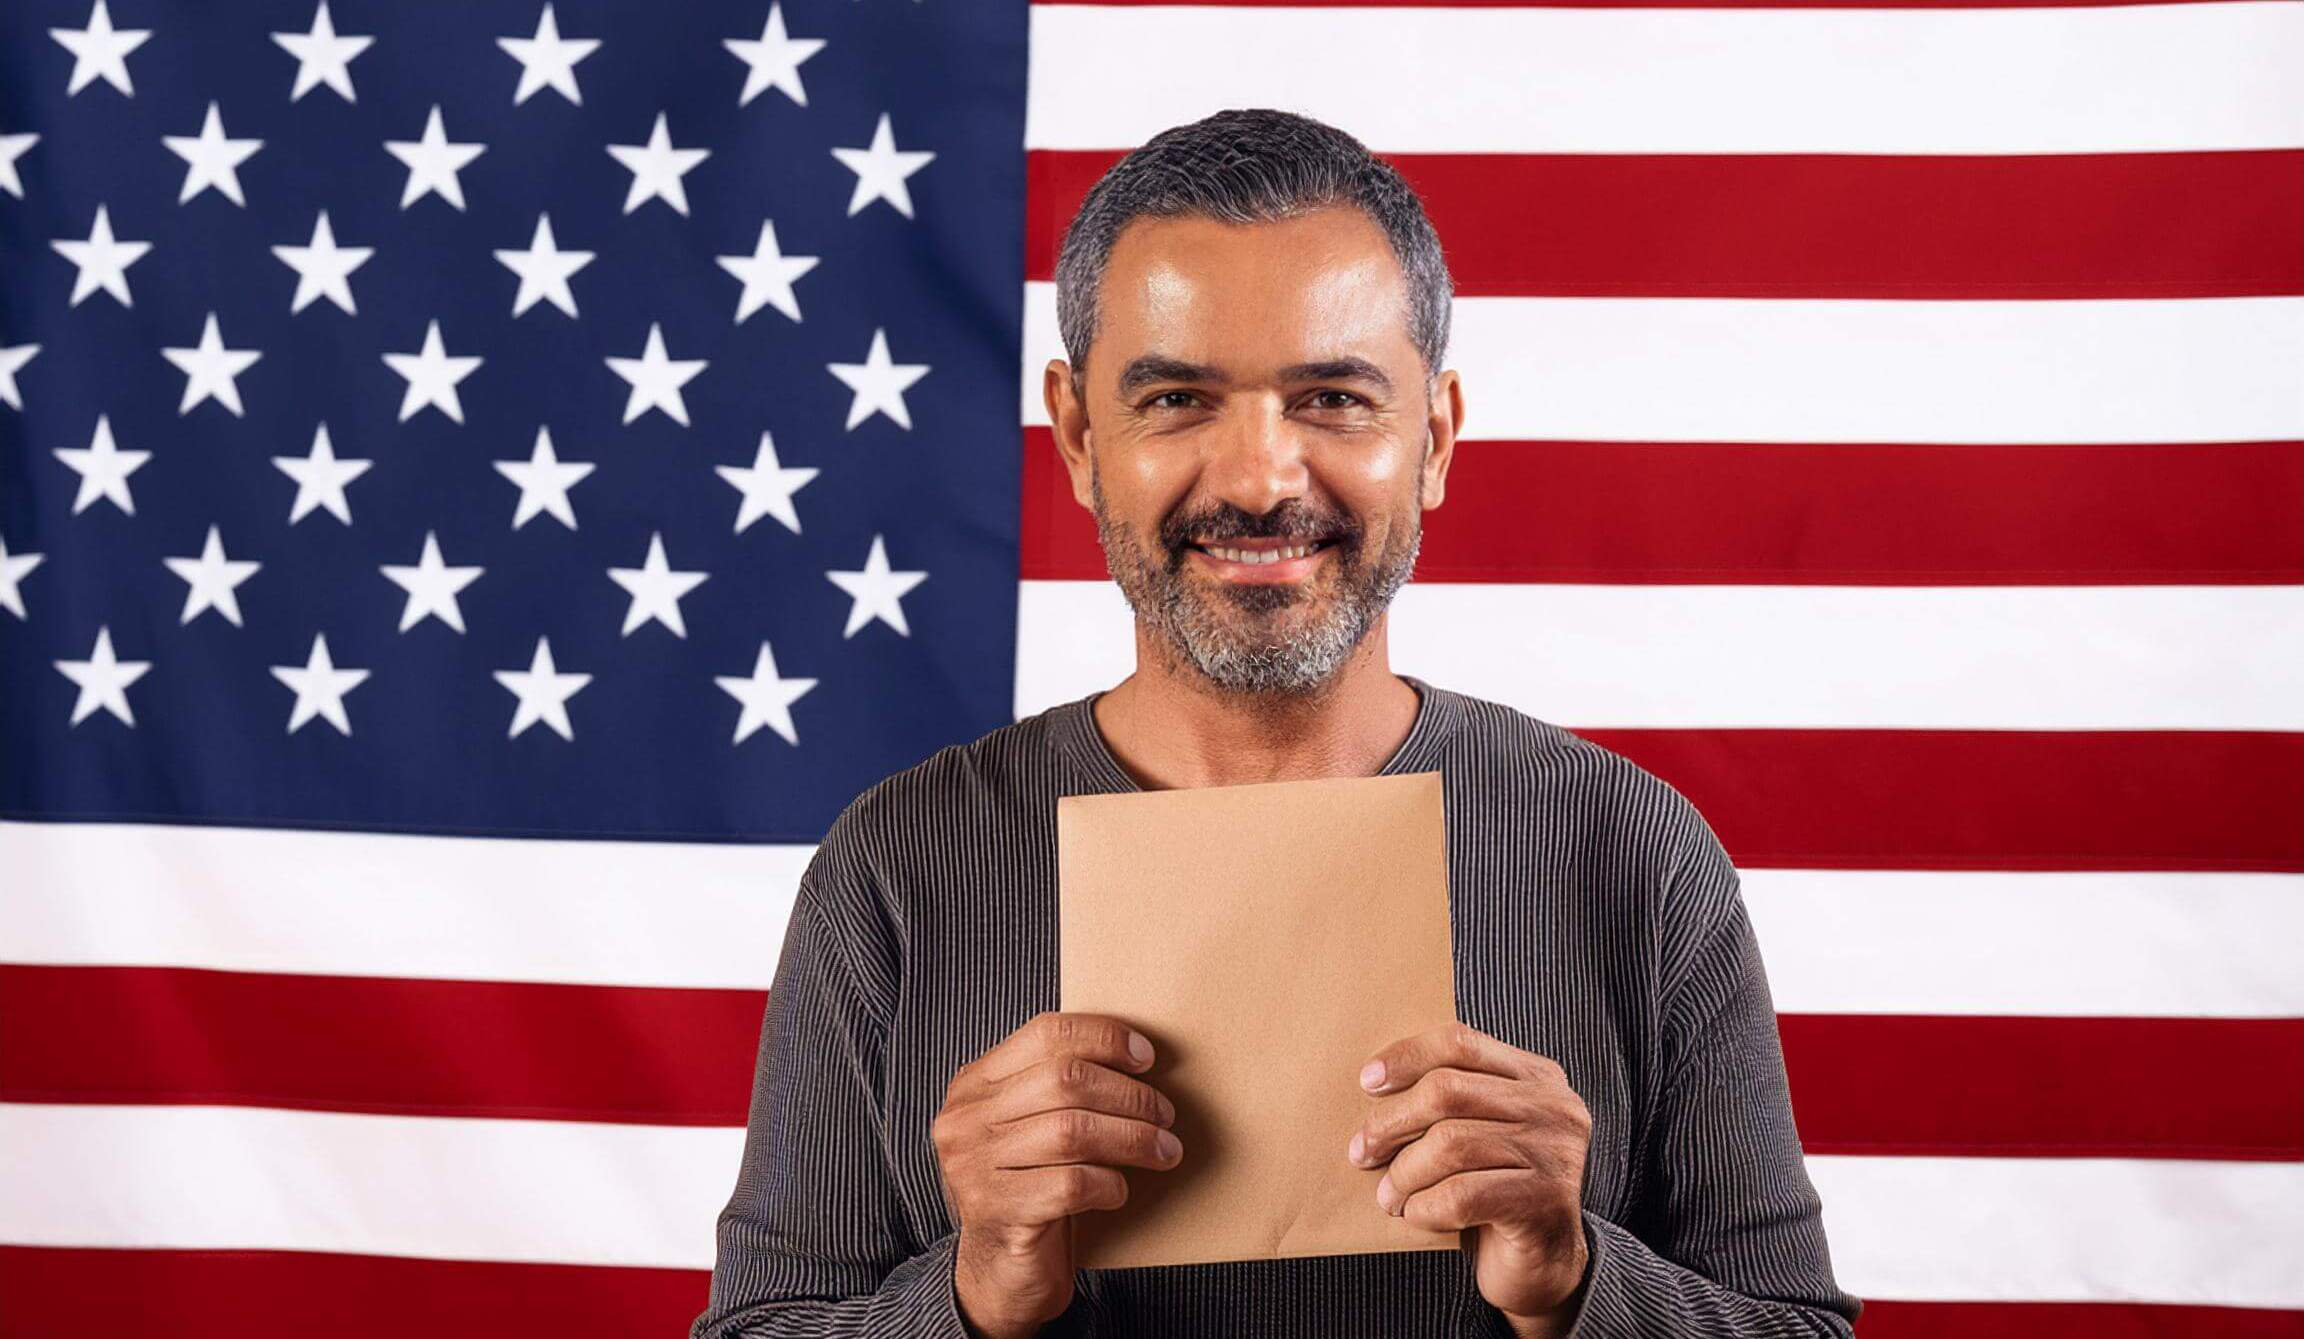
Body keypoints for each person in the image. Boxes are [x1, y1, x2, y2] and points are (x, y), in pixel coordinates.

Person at [692, 108, 1860, 1338]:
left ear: (1436, 438)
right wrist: (972, 1294)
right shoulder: (896, 868)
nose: (1259, 480)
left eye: (1334, 398)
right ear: (1081, 437)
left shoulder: (1633, 850)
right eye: (1180, 397)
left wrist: (1578, 1278)